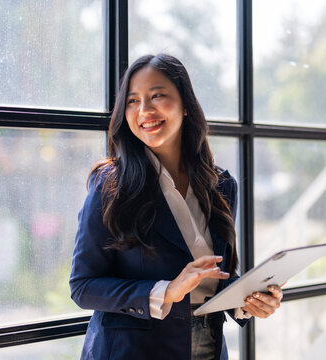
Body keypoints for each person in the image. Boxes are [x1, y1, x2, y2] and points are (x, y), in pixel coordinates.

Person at [69, 54, 282, 360]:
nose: (144, 110)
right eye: (132, 100)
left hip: (208, 347)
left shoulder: (221, 185)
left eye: (157, 96)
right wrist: (166, 291)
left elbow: (215, 275)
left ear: (185, 105)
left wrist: (247, 300)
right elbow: (83, 286)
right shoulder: (111, 186)